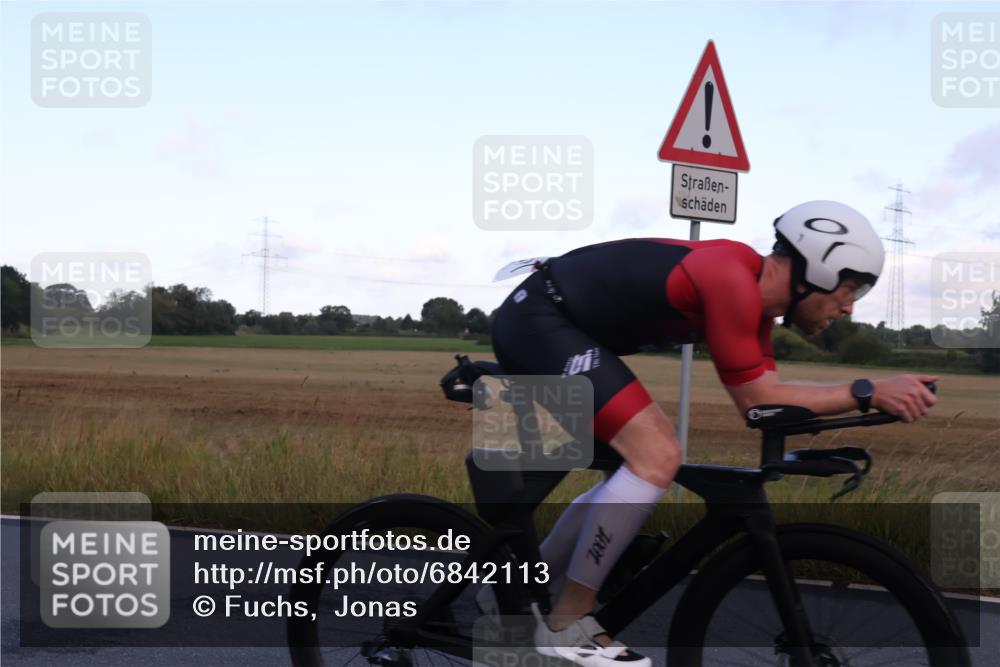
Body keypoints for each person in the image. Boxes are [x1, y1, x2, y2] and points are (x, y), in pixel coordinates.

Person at [489, 200, 939, 666]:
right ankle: (570, 621)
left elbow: (771, 400)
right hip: (539, 320)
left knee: (637, 463)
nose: (848, 307)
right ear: (818, 270)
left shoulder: (756, 306)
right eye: (850, 289)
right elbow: (758, 401)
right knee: (656, 455)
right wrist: (868, 391)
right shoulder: (730, 279)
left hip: (561, 324)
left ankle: (516, 591)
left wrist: (866, 404)